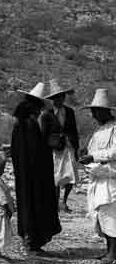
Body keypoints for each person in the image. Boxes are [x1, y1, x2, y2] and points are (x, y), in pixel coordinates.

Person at [11, 82, 61, 255]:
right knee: (36, 204)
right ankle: (32, 243)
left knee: (26, 203)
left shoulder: (20, 124)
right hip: (35, 174)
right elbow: (37, 152)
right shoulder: (30, 125)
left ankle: (29, 240)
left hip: (24, 174)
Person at [79, 89, 116, 264]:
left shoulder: (114, 128)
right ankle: (109, 250)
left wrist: (93, 157)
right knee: (101, 213)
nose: (93, 115)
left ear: (104, 111)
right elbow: (94, 149)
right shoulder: (99, 129)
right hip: (98, 176)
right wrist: (86, 153)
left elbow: (113, 152)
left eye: (96, 111)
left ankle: (113, 252)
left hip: (110, 177)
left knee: (110, 213)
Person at [42, 80, 80, 211]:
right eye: (57, 97)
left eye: (61, 96)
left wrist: (76, 148)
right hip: (54, 149)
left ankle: (64, 201)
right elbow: (44, 134)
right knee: (56, 176)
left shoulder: (70, 112)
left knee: (71, 175)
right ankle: (56, 202)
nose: (59, 99)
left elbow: (74, 130)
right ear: (53, 99)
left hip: (68, 147)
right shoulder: (47, 114)